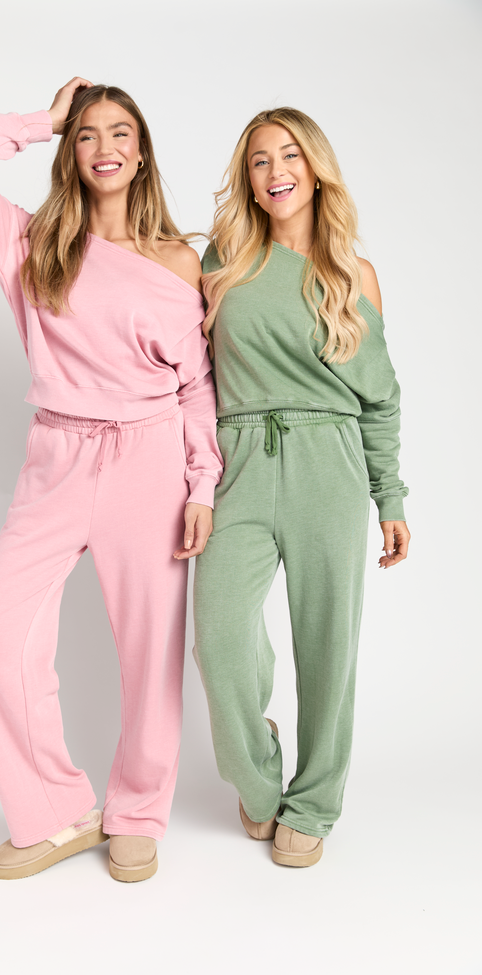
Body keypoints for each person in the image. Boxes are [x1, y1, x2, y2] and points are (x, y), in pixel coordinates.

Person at [0, 77, 222, 883]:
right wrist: (45, 118)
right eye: (88, 134)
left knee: (150, 652)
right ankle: (56, 809)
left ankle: (138, 811)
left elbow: (197, 386)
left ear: (143, 151)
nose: (104, 147)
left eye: (120, 132)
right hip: (56, 456)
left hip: (150, 458)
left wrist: (202, 484)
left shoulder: (178, 259)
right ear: (71, 150)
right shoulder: (31, 241)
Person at [193, 107, 410, 867]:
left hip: (330, 462)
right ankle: (259, 775)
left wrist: (390, 496)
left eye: (289, 155)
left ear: (315, 169)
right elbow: (188, 371)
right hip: (239, 458)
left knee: (328, 643)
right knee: (220, 635)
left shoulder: (355, 275)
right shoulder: (222, 258)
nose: (275, 170)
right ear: (248, 180)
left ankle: (315, 801)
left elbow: (380, 396)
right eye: (259, 160)